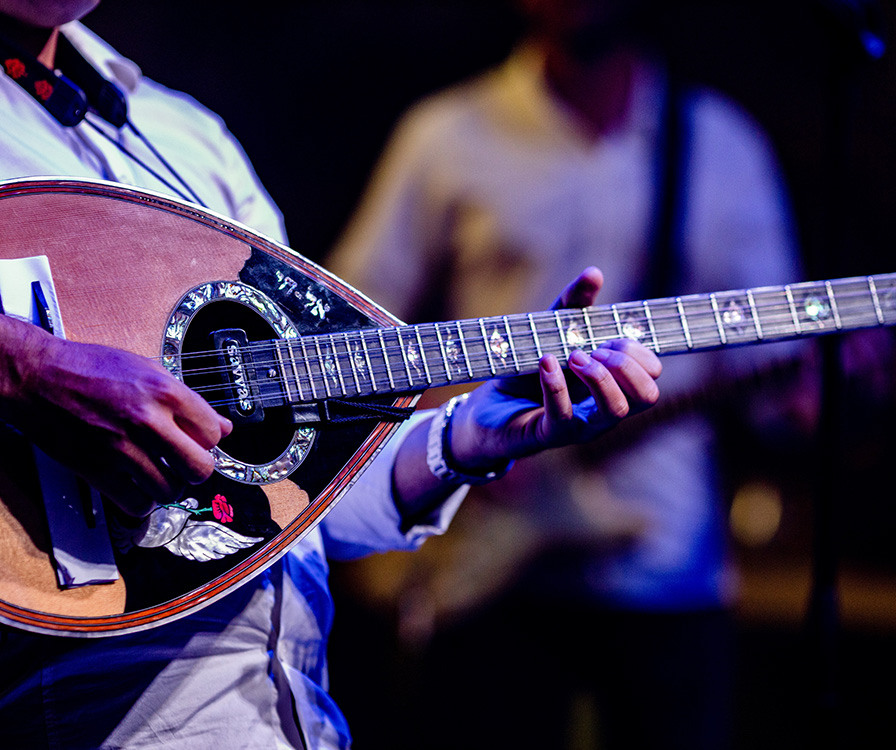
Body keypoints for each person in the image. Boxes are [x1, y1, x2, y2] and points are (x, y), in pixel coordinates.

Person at [0, 1, 664, 748]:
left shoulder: (184, 135)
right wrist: (28, 370)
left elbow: (299, 498)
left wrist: (474, 433)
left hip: (288, 715)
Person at [327, 0, 808, 747]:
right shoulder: (445, 135)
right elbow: (345, 340)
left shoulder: (722, 145)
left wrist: (822, 390)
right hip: (483, 571)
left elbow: (778, 387)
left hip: (666, 569)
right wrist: (472, 428)